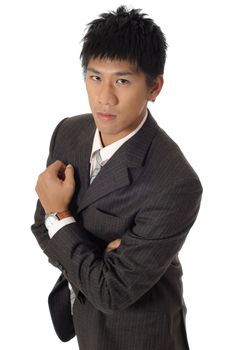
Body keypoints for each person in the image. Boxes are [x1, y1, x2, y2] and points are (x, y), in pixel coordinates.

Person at [31, 6, 203, 350]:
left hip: (142, 334)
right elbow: (40, 226)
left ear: (154, 86)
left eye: (122, 81)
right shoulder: (69, 132)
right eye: (95, 77)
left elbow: (111, 292)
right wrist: (98, 258)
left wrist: (62, 217)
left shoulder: (175, 182)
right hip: (86, 325)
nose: (104, 97)